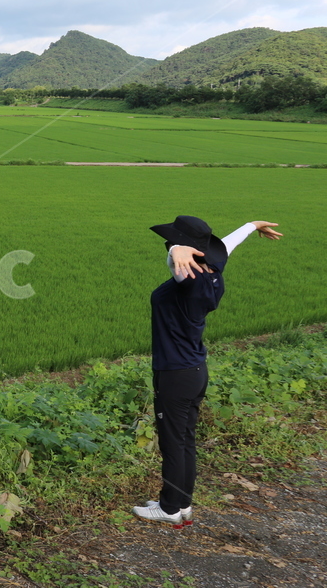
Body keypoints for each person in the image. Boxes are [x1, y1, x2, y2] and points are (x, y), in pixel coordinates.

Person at [132, 215, 282, 526]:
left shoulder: (187, 277)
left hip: (174, 374)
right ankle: (182, 504)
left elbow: (176, 259)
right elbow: (225, 247)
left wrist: (176, 249)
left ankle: (169, 508)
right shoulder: (212, 274)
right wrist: (251, 225)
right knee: (185, 440)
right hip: (195, 370)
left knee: (173, 443)